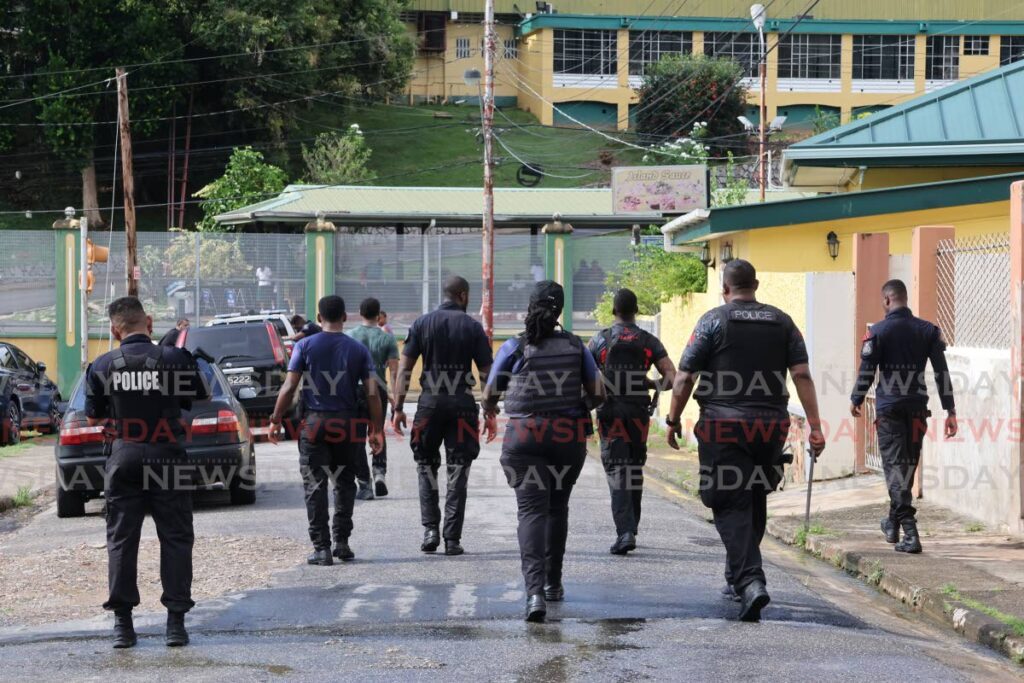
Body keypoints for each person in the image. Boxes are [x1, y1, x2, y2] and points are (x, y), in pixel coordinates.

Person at [665, 260, 825, 622]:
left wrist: (673, 420)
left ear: (725, 288)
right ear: (756, 284)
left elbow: (685, 377)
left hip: (724, 426)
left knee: (729, 500)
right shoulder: (782, 321)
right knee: (753, 496)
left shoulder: (713, 321)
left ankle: (751, 580)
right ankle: (736, 573)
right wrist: (814, 426)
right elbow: (801, 373)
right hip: (771, 425)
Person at [85, 297, 209, 648]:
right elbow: (202, 393)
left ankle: (123, 626)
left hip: (123, 457)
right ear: (149, 322)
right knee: (176, 536)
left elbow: (93, 417)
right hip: (168, 455)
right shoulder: (174, 359)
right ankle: (175, 625)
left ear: (114, 329)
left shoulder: (103, 364)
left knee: (122, 539)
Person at [483, 281, 604, 623]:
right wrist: (576, 405)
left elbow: (491, 391)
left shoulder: (514, 346)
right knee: (557, 507)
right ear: (560, 311)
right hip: (567, 438)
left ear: (529, 306)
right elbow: (599, 394)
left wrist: (490, 408)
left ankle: (534, 593)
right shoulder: (576, 346)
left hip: (524, 436)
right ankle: (553, 583)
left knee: (531, 511)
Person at [269, 295, 383, 566]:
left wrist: (275, 419)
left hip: (315, 424)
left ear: (319, 319)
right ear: (344, 317)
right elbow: (372, 394)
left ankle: (322, 548)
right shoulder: (358, 350)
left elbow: (289, 387)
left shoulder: (305, 346)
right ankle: (342, 542)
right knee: (344, 482)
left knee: (315, 484)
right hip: (347, 424)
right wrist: (376, 430)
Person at [850, 279, 957, 554]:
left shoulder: (879, 331)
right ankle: (892, 523)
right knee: (906, 467)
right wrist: (950, 410)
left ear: (887, 300)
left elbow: (867, 370)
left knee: (896, 469)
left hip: (890, 409)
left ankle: (910, 532)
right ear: (904, 299)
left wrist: (856, 398)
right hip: (917, 407)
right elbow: (941, 373)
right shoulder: (927, 331)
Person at [392, 275, 493, 556]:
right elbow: (487, 374)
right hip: (462, 403)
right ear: (462, 295)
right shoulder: (473, 328)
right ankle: (452, 539)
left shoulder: (422, 324)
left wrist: (398, 407)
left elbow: (404, 371)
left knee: (425, 465)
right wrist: (490, 409)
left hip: (430, 404)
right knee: (458, 470)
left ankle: (430, 530)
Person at [588, 289, 675, 555]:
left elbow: (585, 375)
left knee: (617, 469)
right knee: (634, 468)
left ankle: (625, 532)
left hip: (610, 413)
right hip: (638, 414)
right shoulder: (648, 340)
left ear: (614, 311)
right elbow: (672, 375)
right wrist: (652, 384)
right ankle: (631, 527)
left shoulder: (601, 340)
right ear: (636, 311)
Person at [349, 297, 400, 499]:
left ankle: (364, 483)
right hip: (378, 391)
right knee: (378, 431)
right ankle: (379, 473)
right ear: (379, 316)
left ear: (360, 313)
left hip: (357, 391)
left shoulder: (350, 336)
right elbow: (395, 372)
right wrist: (395, 398)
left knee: (357, 437)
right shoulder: (387, 338)